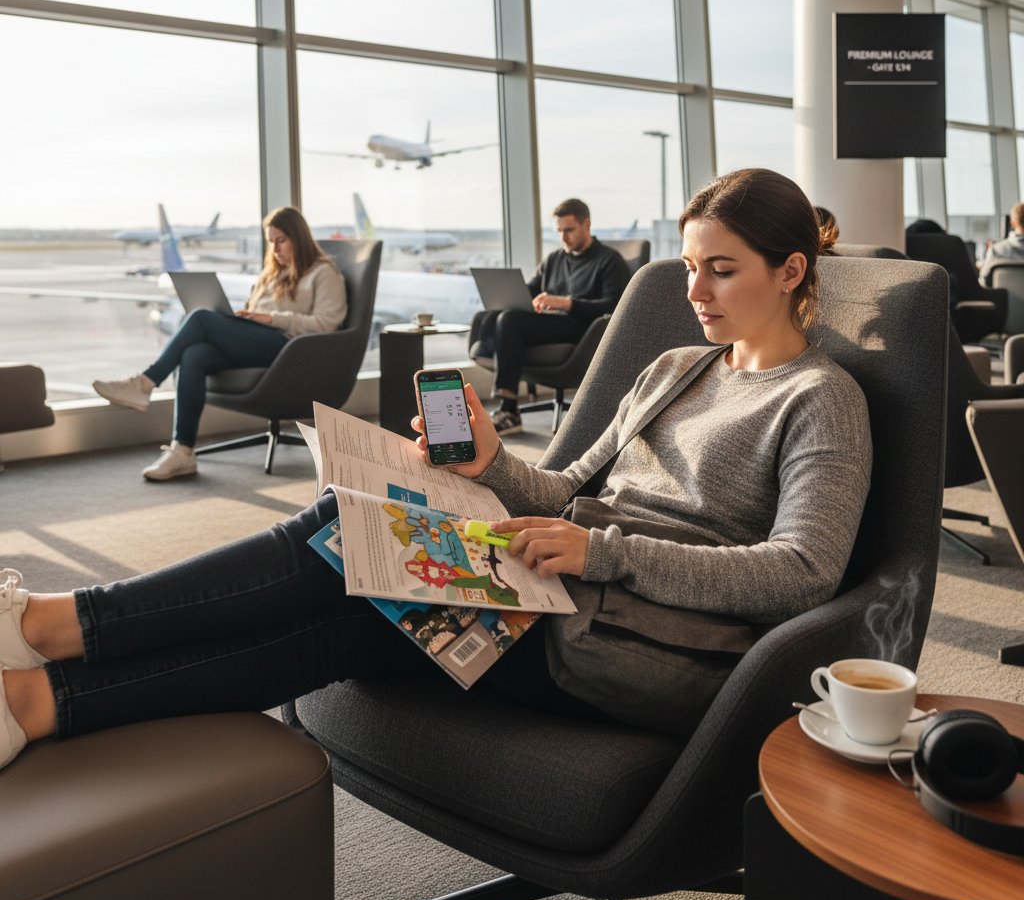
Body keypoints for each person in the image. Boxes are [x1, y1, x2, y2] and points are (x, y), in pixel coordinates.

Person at [0, 168, 872, 770]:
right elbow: (573, 495)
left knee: (352, 570)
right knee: (352, 558)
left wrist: (604, 554)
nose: (695, 292)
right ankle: (42, 699)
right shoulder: (676, 369)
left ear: (791, 270)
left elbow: (802, 573)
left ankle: (50, 632)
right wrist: (493, 463)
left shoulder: (821, 398)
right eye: (688, 267)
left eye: (721, 271)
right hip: (558, 582)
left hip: (645, 641)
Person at [92, 207, 347, 481]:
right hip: (258, 341)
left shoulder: (324, 273)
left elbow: (326, 323)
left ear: (299, 238)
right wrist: (243, 317)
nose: (274, 248)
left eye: (281, 240)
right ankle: (183, 451)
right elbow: (255, 310)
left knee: (201, 318)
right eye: (270, 241)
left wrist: (271, 318)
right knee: (195, 354)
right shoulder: (272, 274)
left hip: (289, 350)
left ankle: (144, 383)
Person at [473, 198, 630, 436]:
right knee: (493, 317)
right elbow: (530, 290)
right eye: (559, 231)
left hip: (583, 329)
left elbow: (615, 305)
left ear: (586, 225)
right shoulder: (554, 259)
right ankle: (491, 358)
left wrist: (568, 303)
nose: (563, 237)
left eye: (569, 230)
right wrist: (510, 295)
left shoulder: (608, 260)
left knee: (509, 321)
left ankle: (509, 409)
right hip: (551, 324)